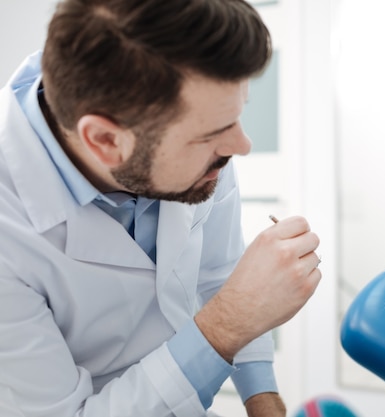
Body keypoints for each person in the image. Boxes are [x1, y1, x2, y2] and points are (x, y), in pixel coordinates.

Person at [0, 1, 322, 416]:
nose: (241, 146)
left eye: (237, 117)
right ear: (106, 140)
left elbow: (222, 277)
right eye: (214, 133)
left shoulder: (200, 157)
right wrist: (227, 323)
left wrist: (263, 400)